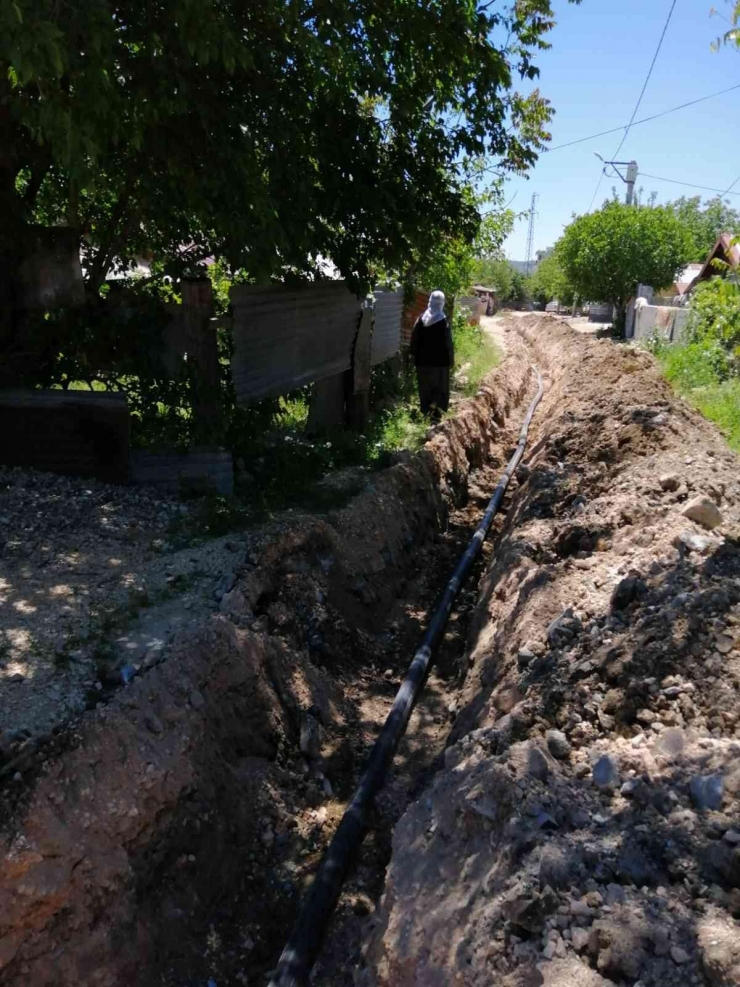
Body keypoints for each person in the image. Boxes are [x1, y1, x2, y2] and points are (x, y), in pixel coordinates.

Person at [409, 290, 454, 420]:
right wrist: (451, 360)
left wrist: (413, 355)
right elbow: (448, 343)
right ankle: (436, 412)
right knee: (438, 387)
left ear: (430, 302)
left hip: (422, 362)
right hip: (440, 363)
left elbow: (414, 339)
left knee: (424, 386)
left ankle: (425, 411)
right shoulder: (443, 321)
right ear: (442, 303)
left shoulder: (421, 319)